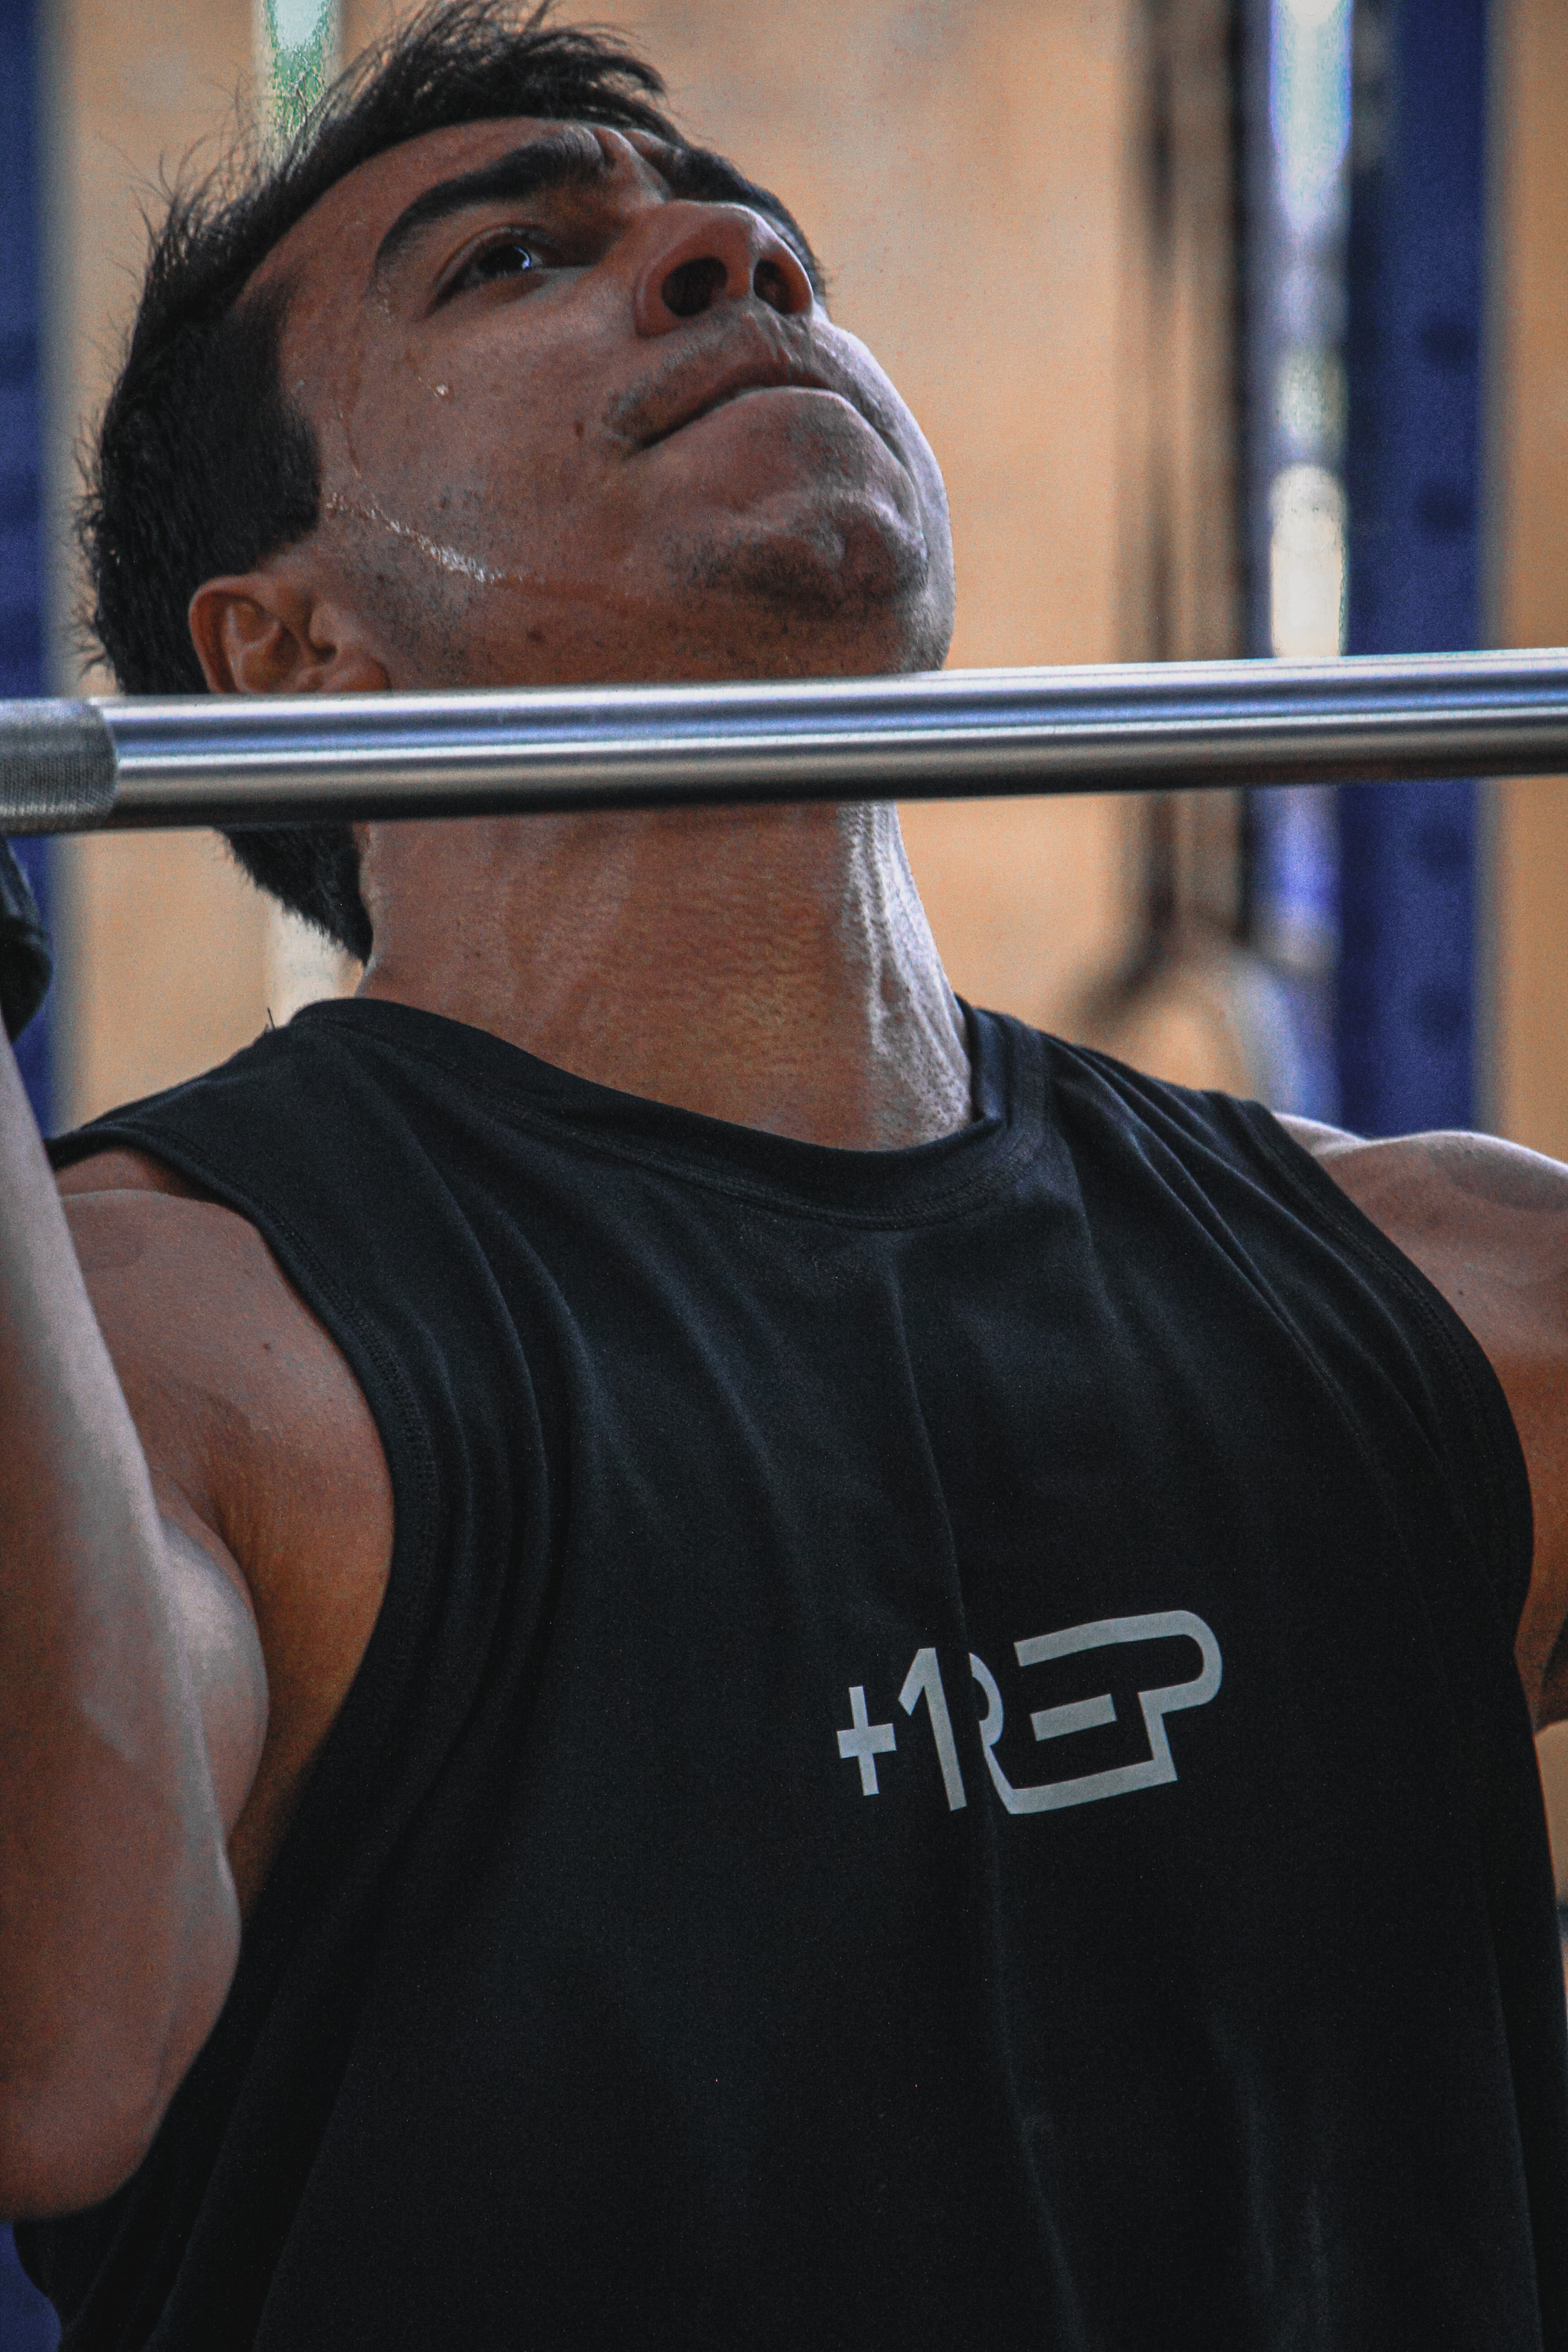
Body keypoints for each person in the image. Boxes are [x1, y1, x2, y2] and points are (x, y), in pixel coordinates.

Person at [2, 3, 1566, 2343]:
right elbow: (50, 2047)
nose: (733, 258)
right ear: (293, 645)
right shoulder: (183, 1350)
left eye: (760, 239)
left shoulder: (1447, 1290)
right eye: (516, 257)